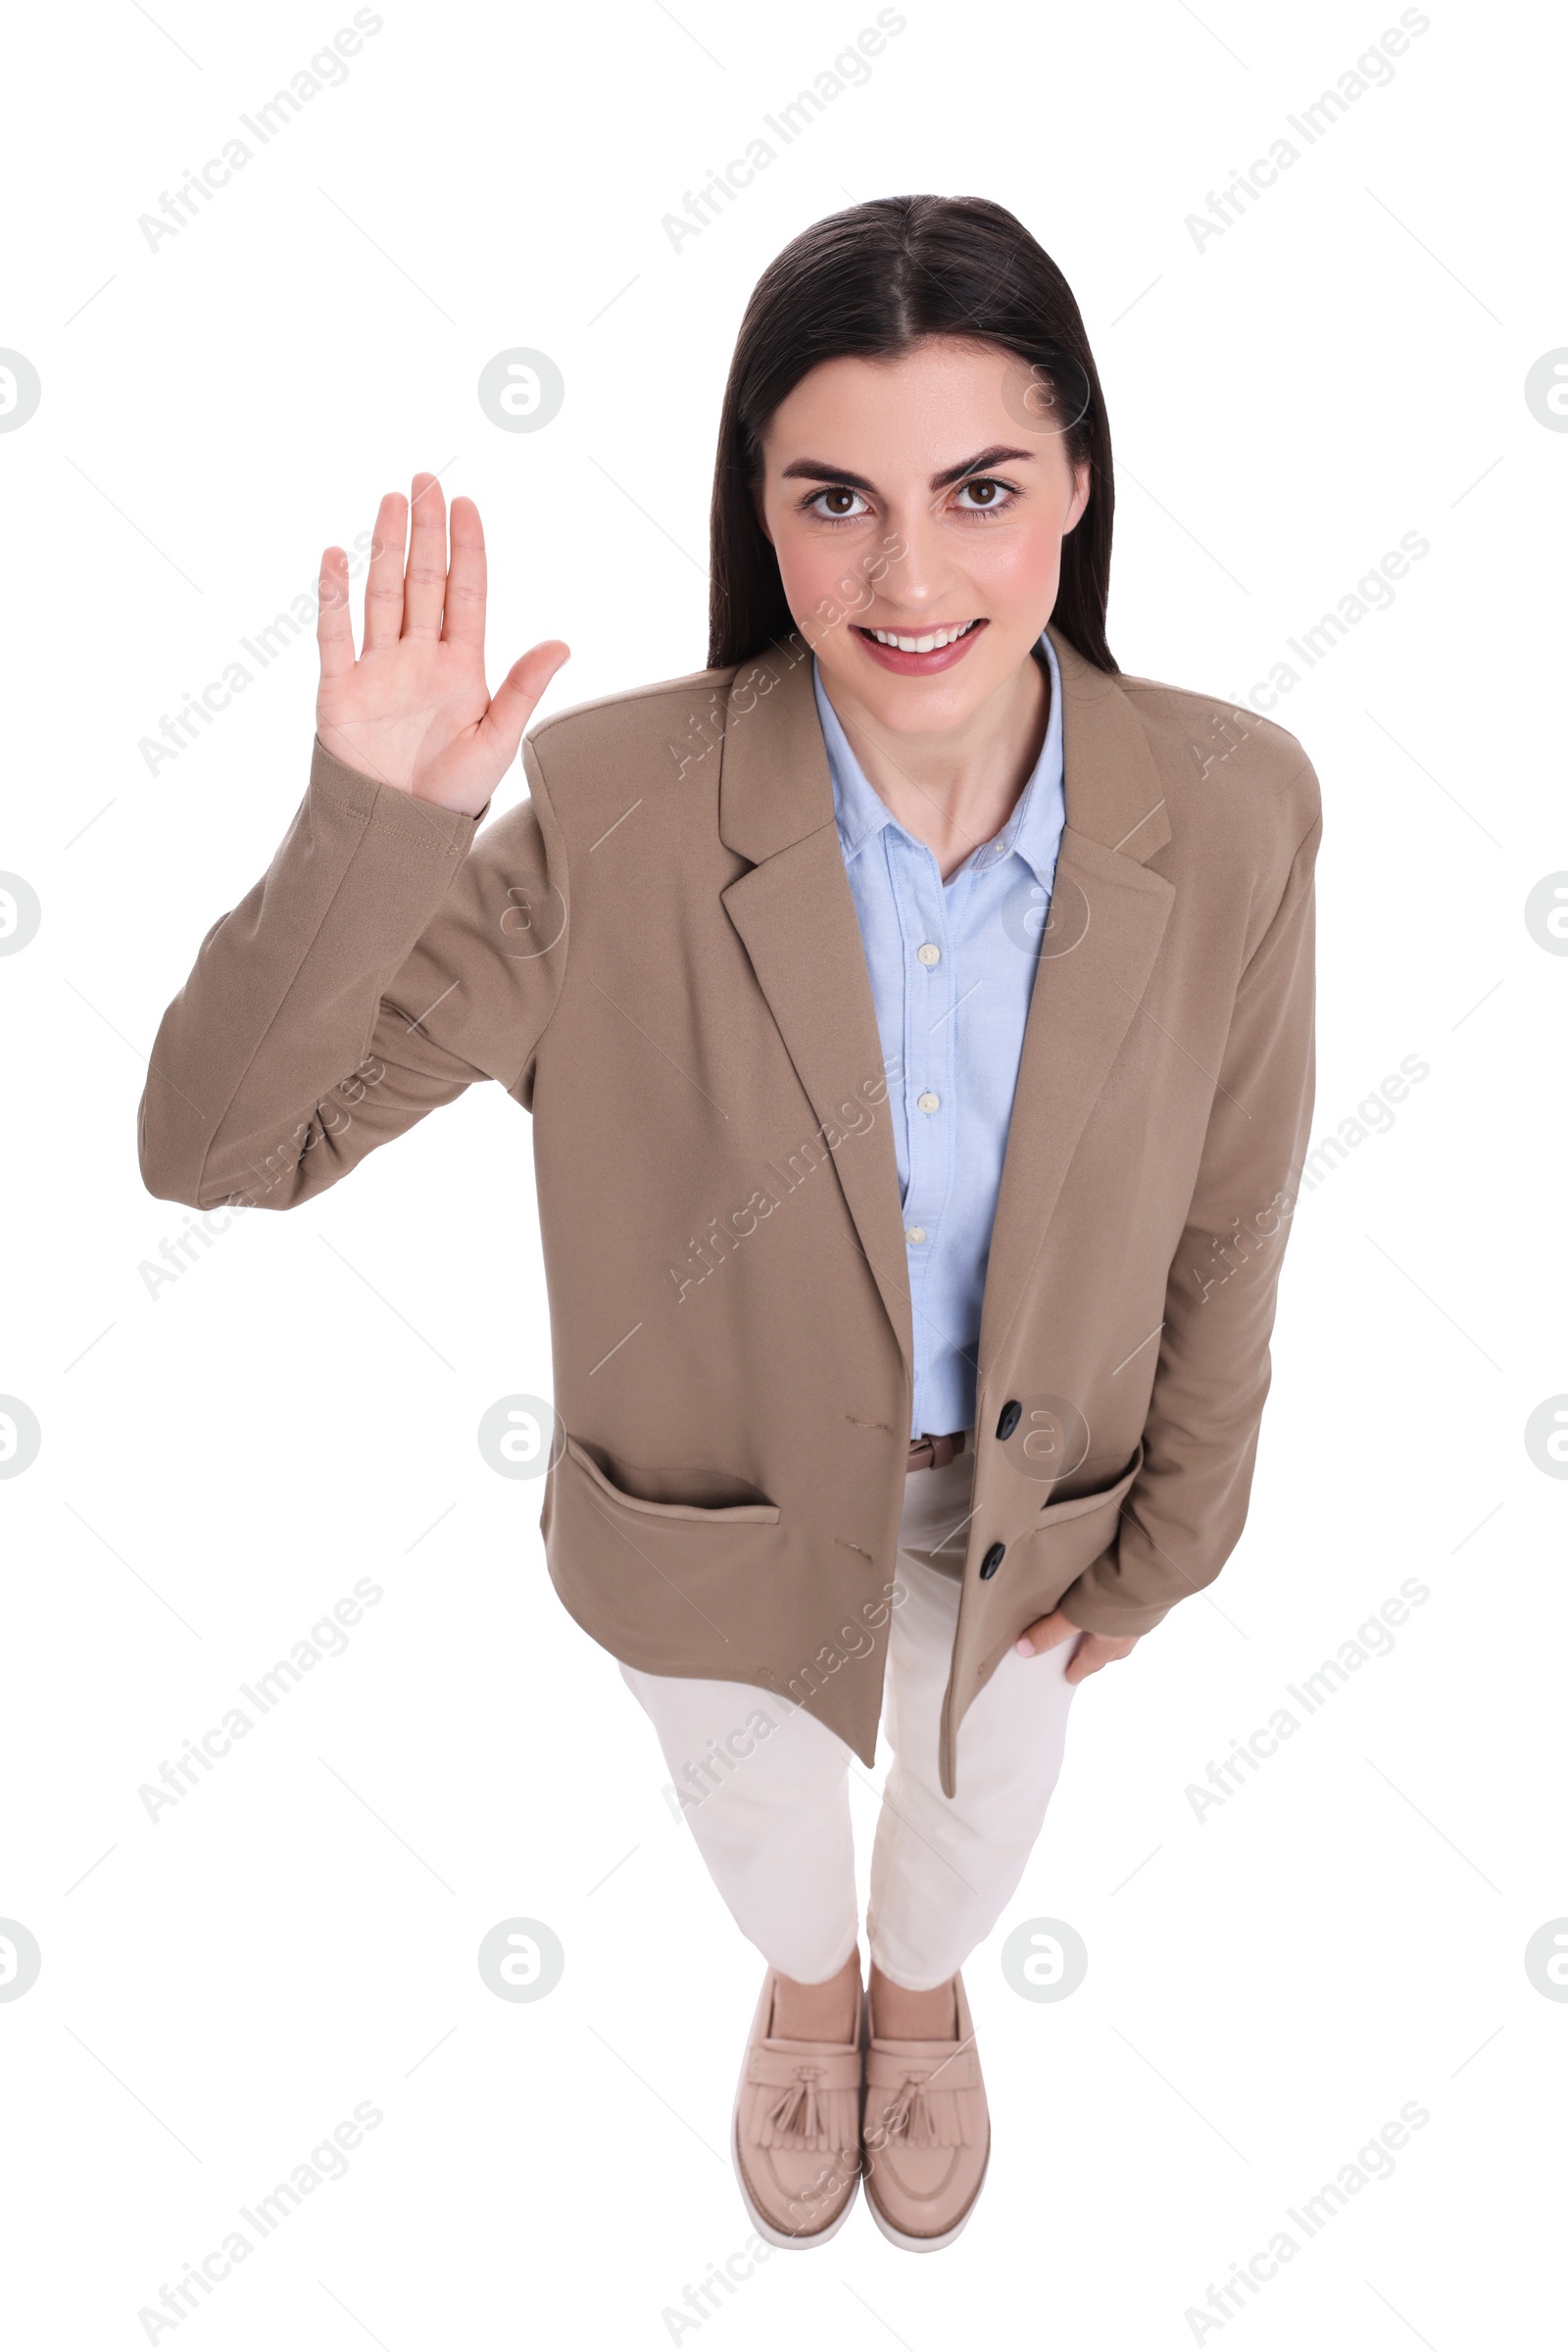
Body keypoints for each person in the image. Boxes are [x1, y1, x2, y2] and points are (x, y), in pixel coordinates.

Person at [138, 194, 1320, 2253]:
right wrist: (373, 819)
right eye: (830, 498)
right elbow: (225, 1145)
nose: (906, 571)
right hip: (712, 1516)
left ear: (1076, 487)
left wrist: (1180, 1532)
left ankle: (922, 1994)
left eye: (975, 489)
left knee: (965, 1834)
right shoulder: (607, 822)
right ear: (757, 516)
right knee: (772, 1840)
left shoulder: (1232, 807)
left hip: (1040, 1513)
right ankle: (807, 1988)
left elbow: (1232, 1194)